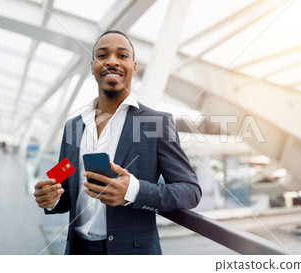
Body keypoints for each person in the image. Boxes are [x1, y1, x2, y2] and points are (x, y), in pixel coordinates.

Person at [33, 30, 201, 255]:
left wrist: (133, 190)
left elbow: (190, 191)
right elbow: (64, 185)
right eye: (103, 56)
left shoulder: (156, 123)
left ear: (134, 66)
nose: (112, 61)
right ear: (92, 66)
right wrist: (51, 198)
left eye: (122, 56)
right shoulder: (73, 126)